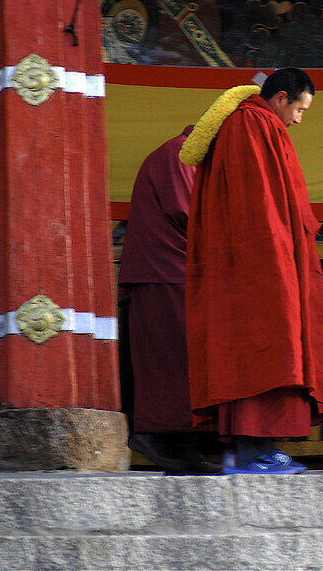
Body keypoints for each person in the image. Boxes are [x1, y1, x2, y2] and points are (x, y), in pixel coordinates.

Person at [181, 68, 323, 475]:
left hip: (262, 259)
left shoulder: (253, 123)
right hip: (262, 261)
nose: (298, 120)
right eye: (299, 109)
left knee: (263, 351)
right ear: (281, 97)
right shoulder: (251, 124)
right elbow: (260, 203)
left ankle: (254, 450)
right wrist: (278, 260)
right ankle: (252, 452)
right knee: (266, 348)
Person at [118, 125, 220, 474]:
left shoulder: (195, 156)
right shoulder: (180, 154)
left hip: (177, 272)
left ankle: (180, 441)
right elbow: (190, 214)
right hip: (166, 270)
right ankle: (165, 440)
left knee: (180, 362)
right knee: (175, 362)